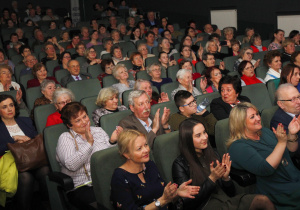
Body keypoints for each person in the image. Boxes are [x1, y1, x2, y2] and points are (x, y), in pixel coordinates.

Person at [173, 118, 274, 210]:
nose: (205, 137)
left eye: (204, 132)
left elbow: (230, 193)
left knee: (263, 201)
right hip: (205, 205)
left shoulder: (213, 153)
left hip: (225, 200)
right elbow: (188, 203)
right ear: (188, 139)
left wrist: (226, 179)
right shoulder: (180, 164)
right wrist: (212, 178)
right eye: (198, 135)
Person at [228, 102, 300, 209]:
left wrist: (292, 134)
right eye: (252, 117)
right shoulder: (237, 147)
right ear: (240, 123)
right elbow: (266, 169)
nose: (258, 118)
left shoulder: (264, 132)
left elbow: (290, 152)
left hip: (294, 177)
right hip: (278, 190)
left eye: (257, 114)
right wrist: (281, 142)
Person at [111, 129, 200, 209]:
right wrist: (162, 201)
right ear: (126, 155)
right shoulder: (120, 178)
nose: (146, 150)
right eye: (139, 148)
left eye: (146, 145)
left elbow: (164, 195)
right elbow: (163, 199)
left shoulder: (149, 165)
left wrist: (177, 193)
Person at [56, 102, 122, 209]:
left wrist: (112, 142)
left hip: (106, 180)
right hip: (83, 186)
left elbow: (108, 159)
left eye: (85, 116)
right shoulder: (65, 138)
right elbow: (71, 165)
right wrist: (89, 143)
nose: (84, 122)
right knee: (102, 207)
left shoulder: (98, 131)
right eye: (78, 120)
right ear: (69, 125)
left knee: (128, 197)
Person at [0, 94, 49, 210]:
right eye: (4, 107)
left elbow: (36, 138)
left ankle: (48, 204)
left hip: (33, 158)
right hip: (13, 163)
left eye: (11, 105)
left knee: (45, 170)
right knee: (26, 177)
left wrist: (28, 140)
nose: (9, 109)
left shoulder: (25, 120)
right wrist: (14, 140)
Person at [271, 84, 300, 158]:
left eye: (299, 97)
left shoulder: (297, 110)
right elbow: (293, 153)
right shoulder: (278, 122)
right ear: (281, 104)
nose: (298, 101)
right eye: (293, 99)